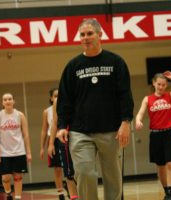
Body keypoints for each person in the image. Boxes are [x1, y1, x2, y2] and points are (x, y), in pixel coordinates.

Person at [56, 18, 134, 200]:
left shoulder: (116, 62)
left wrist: (125, 122)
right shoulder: (73, 67)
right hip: (80, 132)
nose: (85, 37)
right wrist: (61, 126)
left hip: (111, 131)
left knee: (113, 178)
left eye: (89, 33)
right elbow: (65, 100)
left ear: (100, 35)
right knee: (84, 173)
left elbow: (125, 95)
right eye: (82, 34)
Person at [135, 71, 171, 200]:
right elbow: (140, 113)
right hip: (156, 135)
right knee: (160, 166)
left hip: (169, 133)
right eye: (159, 84)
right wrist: (138, 120)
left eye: (164, 85)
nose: (161, 87)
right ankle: (166, 191)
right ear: (154, 83)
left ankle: (170, 194)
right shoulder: (147, 99)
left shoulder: (170, 96)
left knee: (170, 163)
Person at [0, 93, 32, 200]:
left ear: (13, 101)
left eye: (10, 99)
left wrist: (28, 152)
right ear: (2, 102)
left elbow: (26, 134)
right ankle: (9, 193)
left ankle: (18, 197)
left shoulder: (20, 115)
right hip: (4, 152)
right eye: (5, 99)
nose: (7, 101)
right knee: (5, 178)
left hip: (19, 151)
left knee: (18, 177)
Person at [48, 98, 78, 200]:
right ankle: (74, 197)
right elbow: (55, 122)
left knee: (83, 172)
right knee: (69, 174)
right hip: (64, 139)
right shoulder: (58, 100)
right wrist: (51, 143)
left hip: (81, 136)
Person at [40, 88, 66, 200]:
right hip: (54, 140)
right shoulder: (47, 111)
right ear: (51, 98)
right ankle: (61, 193)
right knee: (57, 168)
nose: (57, 98)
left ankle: (71, 186)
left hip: (66, 138)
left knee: (70, 167)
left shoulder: (68, 107)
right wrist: (42, 147)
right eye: (55, 96)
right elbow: (44, 130)